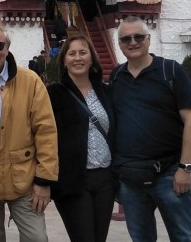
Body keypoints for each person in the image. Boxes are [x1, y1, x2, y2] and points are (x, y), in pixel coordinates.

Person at [0, 21, 58, 242]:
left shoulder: (30, 81)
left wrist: (44, 181)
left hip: (23, 179)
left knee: (37, 238)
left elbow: (46, 132)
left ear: (7, 47)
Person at [111, 17, 191, 242]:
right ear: (119, 44)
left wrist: (185, 169)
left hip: (169, 174)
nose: (133, 42)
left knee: (184, 237)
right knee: (141, 238)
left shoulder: (169, 70)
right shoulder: (116, 76)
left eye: (138, 37)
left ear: (148, 39)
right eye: (126, 39)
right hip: (130, 178)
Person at [47, 36, 115, 242]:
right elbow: (44, 136)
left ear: (92, 58)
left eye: (83, 52)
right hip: (73, 179)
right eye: (72, 53)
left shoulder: (106, 92)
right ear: (64, 61)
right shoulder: (53, 94)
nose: (78, 58)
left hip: (105, 178)